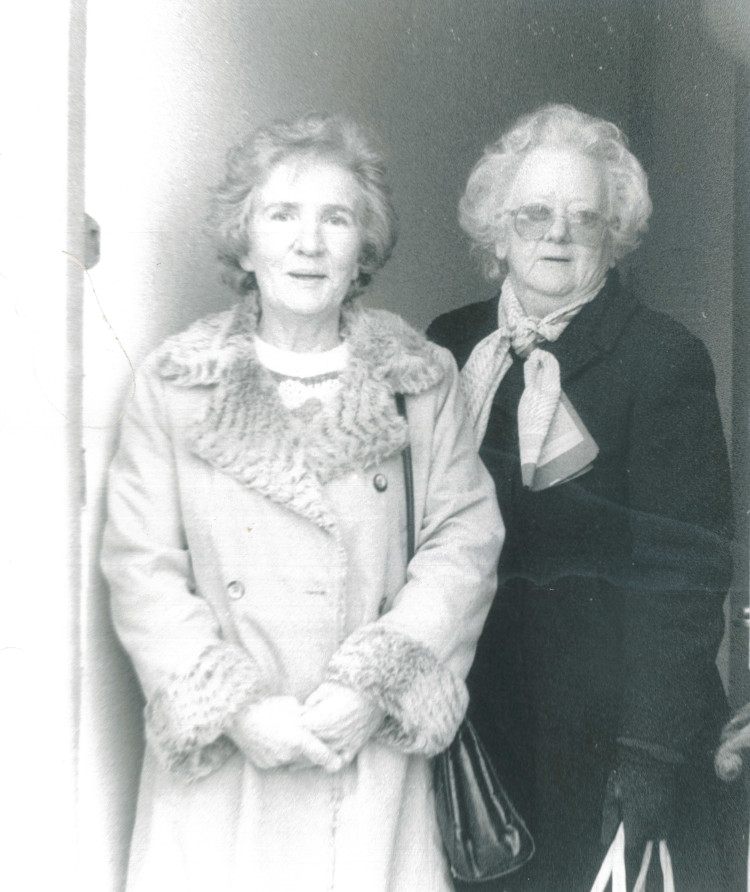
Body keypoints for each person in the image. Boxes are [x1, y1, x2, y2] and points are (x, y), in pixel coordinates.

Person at [101, 113, 503, 892]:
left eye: (336, 219)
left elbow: (464, 543)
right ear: (244, 242)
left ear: (364, 249)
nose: (308, 244)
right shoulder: (177, 383)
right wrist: (235, 708)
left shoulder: (419, 381)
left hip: (366, 762)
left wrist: (373, 685)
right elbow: (141, 567)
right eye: (281, 215)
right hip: (225, 779)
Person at [427, 104, 747, 891]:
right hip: (480, 730)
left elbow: (685, 574)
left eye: (584, 218)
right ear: (494, 229)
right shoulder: (448, 345)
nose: (556, 235)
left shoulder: (661, 357)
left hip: (614, 744)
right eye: (533, 214)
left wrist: (648, 760)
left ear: (615, 235)